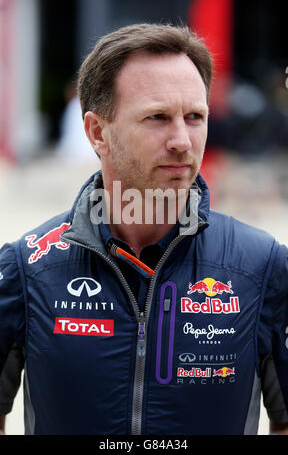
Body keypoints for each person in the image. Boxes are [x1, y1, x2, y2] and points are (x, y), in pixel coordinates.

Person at [0, 23, 288, 436]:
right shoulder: (25, 267)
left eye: (194, 117)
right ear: (97, 132)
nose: (182, 141)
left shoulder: (264, 265)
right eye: (157, 117)